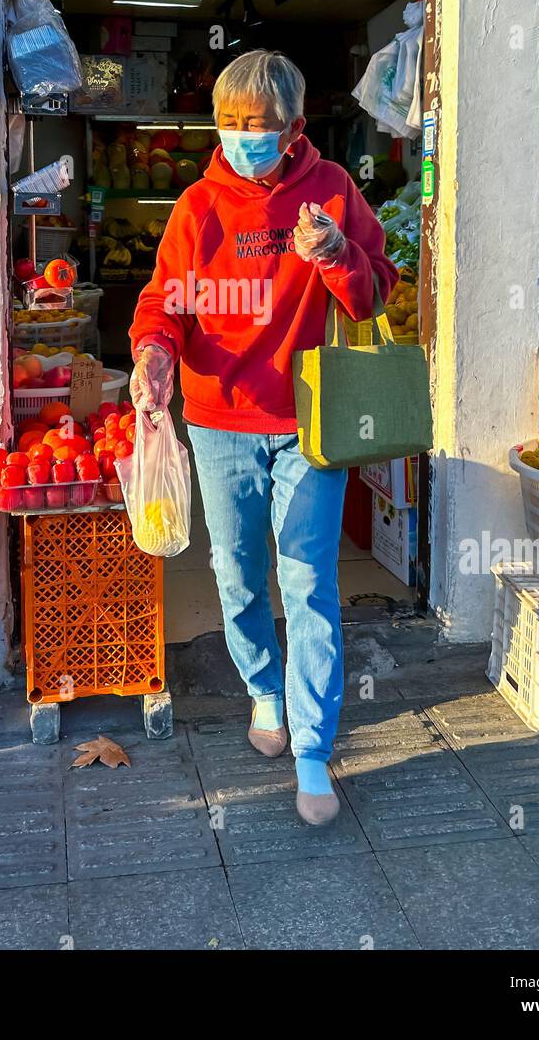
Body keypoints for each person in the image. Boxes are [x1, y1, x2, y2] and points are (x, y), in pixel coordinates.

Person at [129, 50, 399, 826]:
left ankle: (313, 749)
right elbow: (162, 305)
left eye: (260, 125)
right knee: (237, 569)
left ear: (294, 128)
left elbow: (378, 287)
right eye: (231, 123)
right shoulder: (196, 207)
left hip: (308, 419)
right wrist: (153, 361)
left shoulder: (332, 190)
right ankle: (262, 691)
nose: (243, 136)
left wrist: (337, 256)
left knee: (309, 578)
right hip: (217, 418)